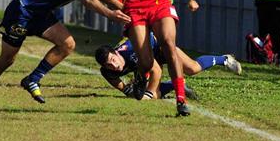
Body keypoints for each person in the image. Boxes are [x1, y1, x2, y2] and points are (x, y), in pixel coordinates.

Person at [0, 0, 130, 110]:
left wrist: (124, 8)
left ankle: (32, 79)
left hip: (40, 14)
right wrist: (110, 14)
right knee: (7, 58)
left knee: (67, 44)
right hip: (22, 11)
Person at [95, 33, 242, 99]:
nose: (114, 66)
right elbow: (126, 91)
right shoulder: (108, 72)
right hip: (146, 61)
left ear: (116, 52)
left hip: (161, 49)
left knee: (193, 69)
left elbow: (156, 70)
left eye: (113, 59)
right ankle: (177, 84)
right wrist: (134, 90)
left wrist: (148, 91)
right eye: (109, 65)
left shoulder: (133, 48)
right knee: (144, 95)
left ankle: (225, 59)